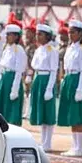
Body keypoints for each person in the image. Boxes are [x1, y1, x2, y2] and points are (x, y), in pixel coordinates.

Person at [59, 20, 82, 157]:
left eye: (73, 32)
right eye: (69, 32)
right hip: (69, 79)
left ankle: (79, 147)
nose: (70, 34)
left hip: (78, 80)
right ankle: (75, 146)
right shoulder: (70, 47)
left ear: (80, 33)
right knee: (72, 115)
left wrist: (80, 89)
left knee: (77, 115)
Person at [29, 23, 59, 152]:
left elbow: (53, 70)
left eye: (40, 34)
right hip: (38, 78)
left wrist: (49, 88)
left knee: (48, 113)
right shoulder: (39, 49)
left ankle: (48, 142)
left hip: (47, 79)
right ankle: (43, 141)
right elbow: (34, 65)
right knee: (40, 111)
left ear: (47, 36)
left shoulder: (52, 50)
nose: (38, 37)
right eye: (37, 34)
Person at [0, 20, 27, 125]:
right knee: (3, 108)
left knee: (11, 111)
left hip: (12, 80)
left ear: (16, 36)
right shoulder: (7, 48)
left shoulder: (19, 50)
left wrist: (15, 89)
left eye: (10, 35)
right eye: (7, 34)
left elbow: (19, 71)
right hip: (4, 79)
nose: (7, 37)